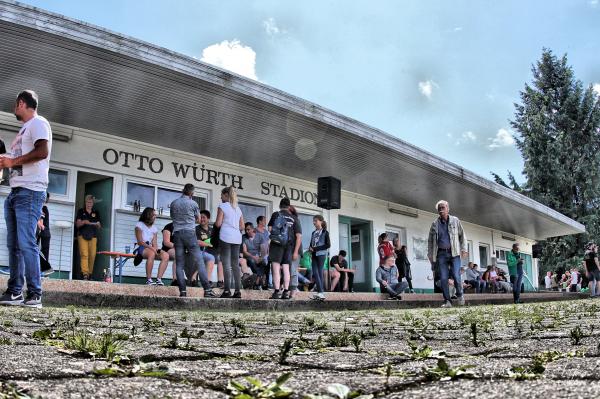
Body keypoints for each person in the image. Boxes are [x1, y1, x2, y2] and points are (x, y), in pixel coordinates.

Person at [0, 90, 51, 308]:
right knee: (15, 245)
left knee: (27, 243)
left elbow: (42, 152)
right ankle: (14, 292)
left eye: (15, 105)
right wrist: (7, 162)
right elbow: (20, 162)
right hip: (16, 192)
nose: (14, 108)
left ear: (22, 103)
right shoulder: (24, 130)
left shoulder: (38, 123)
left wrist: (11, 162)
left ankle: (35, 294)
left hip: (30, 192)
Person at [170, 183, 215, 298]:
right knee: (199, 261)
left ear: (183, 191)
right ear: (192, 193)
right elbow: (199, 219)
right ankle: (207, 290)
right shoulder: (193, 203)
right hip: (190, 233)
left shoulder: (174, 203)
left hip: (177, 234)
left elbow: (172, 217)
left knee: (179, 264)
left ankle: (183, 292)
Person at [427, 200, 468, 308]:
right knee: (444, 278)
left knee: (456, 274)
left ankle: (459, 294)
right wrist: (430, 254)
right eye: (439, 208)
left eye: (443, 208)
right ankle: (447, 301)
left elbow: (462, 236)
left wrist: (464, 249)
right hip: (441, 254)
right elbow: (430, 241)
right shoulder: (434, 224)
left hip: (454, 252)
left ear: (448, 209)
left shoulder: (455, 220)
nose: (441, 210)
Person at [268, 197, 301, 299]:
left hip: (276, 244)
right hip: (289, 246)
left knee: (276, 268)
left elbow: (270, 229)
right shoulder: (294, 218)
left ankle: (277, 291)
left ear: (280, 205)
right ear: (289, 206)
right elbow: (298, 235)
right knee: (286, 268)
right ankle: (286, 292)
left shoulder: (276, 214)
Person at [215, 186, 244, 298]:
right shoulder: (238, 208)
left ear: (226, 195)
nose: (220, 197)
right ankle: (237, 291)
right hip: (237, 238)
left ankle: (227, 290)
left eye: (222, 195)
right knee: (235, 264)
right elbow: (242, 226)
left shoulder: (222, 206)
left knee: (226, 264)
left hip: (225, 237)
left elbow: (218, 223)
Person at [133, 208, 169, 285]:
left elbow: (154, 243)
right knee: (151, 253)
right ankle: (149, 280)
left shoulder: (154, 228)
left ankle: (159, 280)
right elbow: (140, 242)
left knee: (166, 255)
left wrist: (157, 250)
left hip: (150, 248)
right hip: (140, 247)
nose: (155, 216)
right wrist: (153, 249)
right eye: (154, 215)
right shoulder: (139, 225)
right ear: (148, 215)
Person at [75, 194, 101, 281]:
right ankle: (85, 274)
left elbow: (99, 225)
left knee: (92, 255)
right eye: (87, 202)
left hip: (93, 236)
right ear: (85, 202)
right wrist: (83, 222)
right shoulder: (81, 211)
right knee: (84, 254)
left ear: (93, 203)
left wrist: (98, 225)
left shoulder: (96, 212)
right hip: (82, 235)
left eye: (90, 202)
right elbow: (77, 224)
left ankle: (90, 274)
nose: (89, 204)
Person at [309, 214, 331, 300]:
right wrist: (311, 249)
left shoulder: (325, 232)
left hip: (321, 254)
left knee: (319, 272)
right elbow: (311, 244)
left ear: (321, 221)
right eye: (313, 221)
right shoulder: (313, 232)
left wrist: (315, 248)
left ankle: (320, 292)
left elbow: (328, 245)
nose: (314, 222)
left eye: (316, 221)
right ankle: (320, 292)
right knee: (316, 272)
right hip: (314, 254)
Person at [242, 222, 268, 290]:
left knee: (264, 263)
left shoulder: (260, 236)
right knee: (252, 261)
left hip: (258, 256)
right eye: (246, 230)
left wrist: (260, 258)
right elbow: (244, 251)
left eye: (248, 229)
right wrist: (253, 257)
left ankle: (257, 280)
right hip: (249, 257)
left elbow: (263, 249)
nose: (247, 231)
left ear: (253, 229)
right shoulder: (244, 237)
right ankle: (258, 280)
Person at [195, 210, 218, 286]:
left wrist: (209, 243)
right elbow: (197, 242)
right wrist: (208, 244)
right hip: (199, 252)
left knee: (223, 258)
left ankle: (221, 282)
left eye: (204, 217)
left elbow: (216, 242)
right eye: (200, 217)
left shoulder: (212, 230)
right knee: (210, 257)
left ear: (208, 219)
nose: (202, 219)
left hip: (213, 252)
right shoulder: (196, 229)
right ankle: (207, 281)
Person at [37, 192, 53, 276]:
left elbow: (41, 221)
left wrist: (40, 225)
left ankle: (45, 270)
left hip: (43, 232)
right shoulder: (44, 208)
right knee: (41, 251)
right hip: (45, 233)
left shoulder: (42, 208)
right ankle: (45, 270)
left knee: (36, 250)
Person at [161, 221, 178, 286]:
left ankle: (192, 281)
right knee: (178, 255)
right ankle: (175, 280)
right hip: (167, 249)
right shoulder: (169, 226)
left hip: (180, 249)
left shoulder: (184, 227)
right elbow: (166, 242)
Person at [255, 215, 270, 288]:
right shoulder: (255, 231)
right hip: (257, 253)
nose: (265, 222)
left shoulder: (266, 232)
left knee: (266, 260)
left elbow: (267, 243)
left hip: (265, 253)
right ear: (260, 221)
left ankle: (261, 281)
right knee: (264, 261)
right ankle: (261, 281)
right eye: (264, 220)